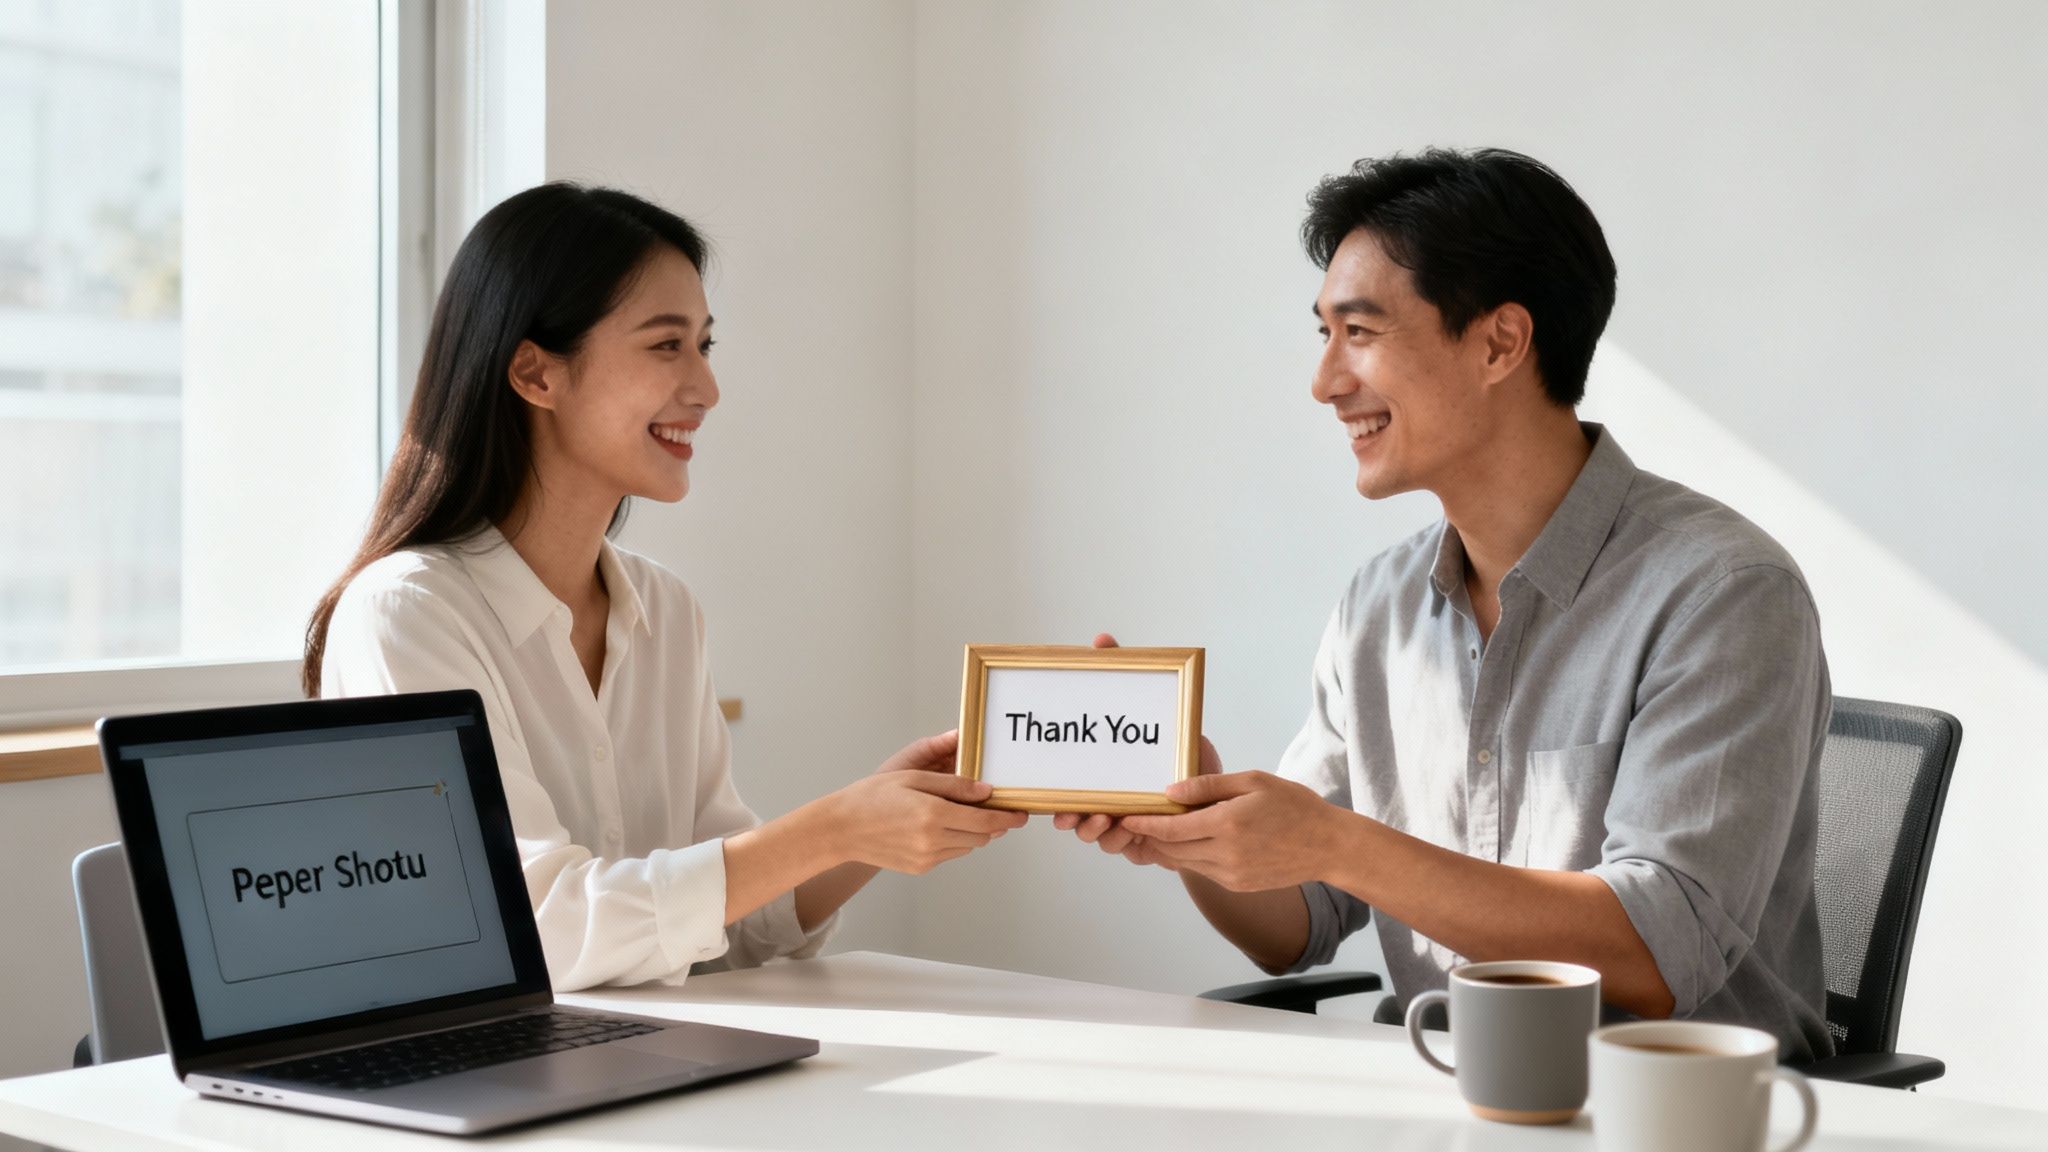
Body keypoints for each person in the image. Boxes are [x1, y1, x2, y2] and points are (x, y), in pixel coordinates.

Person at [1058, 148, 1833, 1059]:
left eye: (1362, 331)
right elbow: (1297, 924)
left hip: (1668, 1119)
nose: (1326, 382)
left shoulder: (1723, 593)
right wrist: (1189, 821)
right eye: (1324, 335)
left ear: (1501, 342)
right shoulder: (1379, 607)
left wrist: (1335, 843)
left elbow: (1659, 947)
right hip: (1442, 1099)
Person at [304, 183, 1025, 990]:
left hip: (645, 1057)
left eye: (704, 346)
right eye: (665, 346)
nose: (705, 389)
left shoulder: (665, 613)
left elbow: (732, 934)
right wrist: (830, 830)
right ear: (535, 373)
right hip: (486, 1076)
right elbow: (535, 930)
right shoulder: (407, 613)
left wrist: (866, 825)